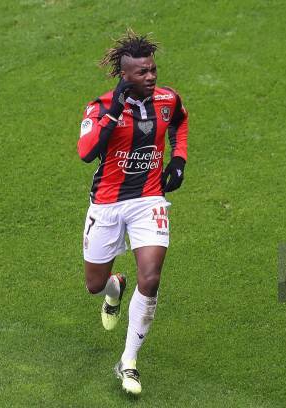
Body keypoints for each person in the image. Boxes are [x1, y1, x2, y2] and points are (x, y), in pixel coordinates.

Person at [76, 29, 188, 396]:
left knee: (152, 278)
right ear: (125, 75)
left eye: (153, 69)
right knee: (94, 285)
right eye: (142, 72)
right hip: (107, 205)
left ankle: (128, 362)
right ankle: (113, 290)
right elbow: (86, 152)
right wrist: (113, 113)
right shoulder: (100, 105)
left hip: (149, 200)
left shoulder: (167, 99)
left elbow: (180, 121)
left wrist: (178, 158)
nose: (151, 76)